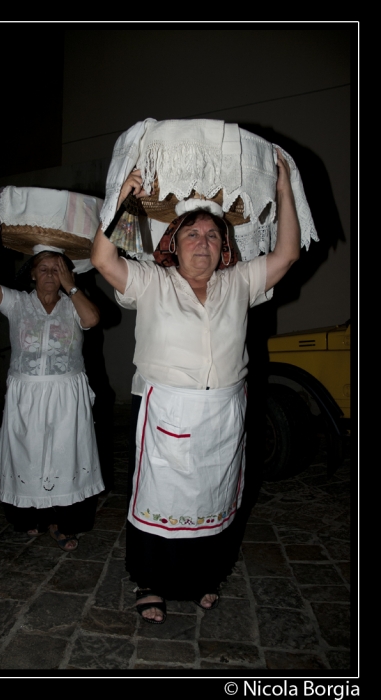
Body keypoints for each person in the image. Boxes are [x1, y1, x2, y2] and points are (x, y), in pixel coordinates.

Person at [90, 149, 300, 622]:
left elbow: (286, 254)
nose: (202, 242)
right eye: (192, 233)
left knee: (217, 498)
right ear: (174, 242)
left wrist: (284, 191)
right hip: (166, 411)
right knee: (159, 502)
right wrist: (122, 198)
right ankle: (152, 581)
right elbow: (103, 260)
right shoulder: (150, 281)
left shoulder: (239, 282)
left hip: (223, 413)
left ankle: (206, 575)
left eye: (212, 235)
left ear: (223, 247)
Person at [0, 248, 105, 550]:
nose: (50, 274)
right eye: (43, 268)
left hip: (66, 393)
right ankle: (31, 516)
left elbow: (93, 319)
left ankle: (64, 521)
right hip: (27, 393)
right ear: (32, 274)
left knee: (64, 455)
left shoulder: (73, 303)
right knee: (28, 454)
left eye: (57, 268)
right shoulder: (18, 303)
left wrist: (71, 286)